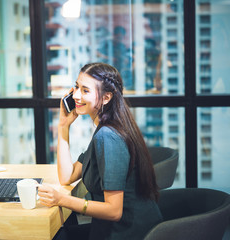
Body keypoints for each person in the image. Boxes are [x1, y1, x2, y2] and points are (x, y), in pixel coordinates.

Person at [38, 63, 162, 240]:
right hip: (115, 228)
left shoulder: (108, 136)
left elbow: (114, 211)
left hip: (127, 233)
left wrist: (61, 200)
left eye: (85, 90)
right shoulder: (105, 128)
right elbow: (68, 175)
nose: (76, 96)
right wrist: (63, 126)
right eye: (77, 87)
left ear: (106, 98)